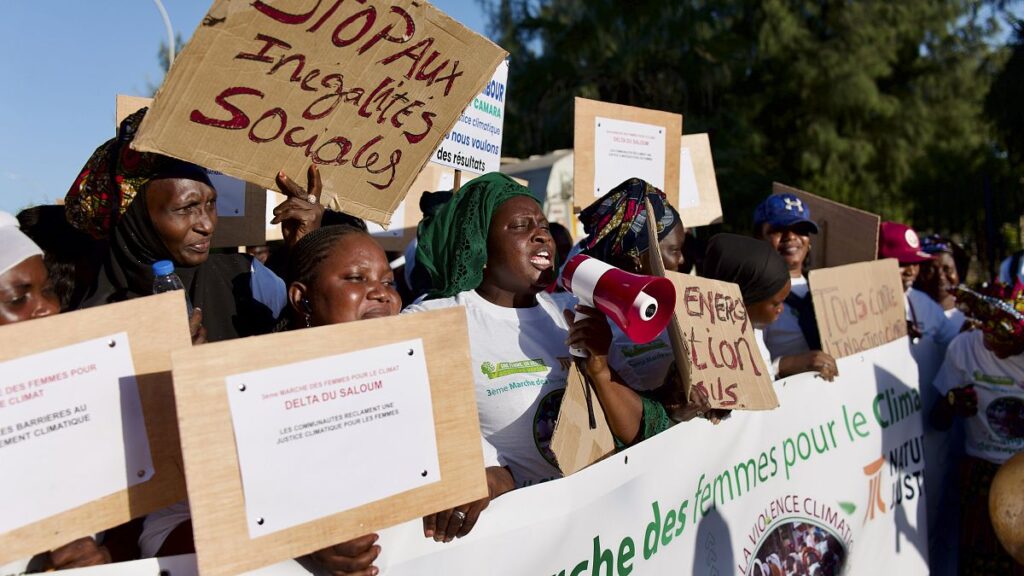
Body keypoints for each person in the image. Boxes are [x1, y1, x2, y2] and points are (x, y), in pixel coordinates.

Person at [405, 173, 641, 541]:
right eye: (520, 226)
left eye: (543, 225)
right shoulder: (435, 320)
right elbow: (416, 422)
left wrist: (602, 365)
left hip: (596, 525)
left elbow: (633, 421)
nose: (541, 234)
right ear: (481, 246)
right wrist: (488, 473)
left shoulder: (571, 311)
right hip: (518, 538)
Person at [64, 108, 319, 341]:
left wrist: (308, 254)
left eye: (211, 204)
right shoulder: (89, 331)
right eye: (186, 208)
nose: (207, 225)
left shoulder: (250, 281)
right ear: (134, 216)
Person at [0, 212, 110, 572]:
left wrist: (101, 556)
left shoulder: (78, 398)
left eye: (48, 290)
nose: (46, 309)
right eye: (18, 299)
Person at [930, 283, 1024, 575]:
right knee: (977, 565)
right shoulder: (965, 346)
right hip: (980, 473)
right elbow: (937, 420)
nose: (991, 344)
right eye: (986, 332)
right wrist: (952, 402)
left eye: (1002, 339)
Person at [577, 178, 685, 394]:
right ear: (637, 260)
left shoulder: (681, 306)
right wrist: (670, 401)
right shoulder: (592, 321)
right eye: (674, 250)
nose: (682, 260)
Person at [753, 194, 838, 381]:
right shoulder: (754, 297)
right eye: (778, 229)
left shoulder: (828, 289)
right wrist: (790, 364)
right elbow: (751, 369)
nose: (791, 237)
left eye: (801, 229)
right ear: (759, 237)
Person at [701, 233, 796, 378]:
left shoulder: (753, 330)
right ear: (743, 301)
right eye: (776, 303)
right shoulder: (710, 348)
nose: (781, 309)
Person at [878, 221, 960, 348]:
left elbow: (955, 342)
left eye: (915, 263)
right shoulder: (856, 306)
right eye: (903, 263)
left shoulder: (923, 304)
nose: (911, 271)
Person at [916, 234, 969, 327]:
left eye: (947, 269)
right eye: (930, 270)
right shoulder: (910, 316)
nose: (940, 277)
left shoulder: (970, 318)